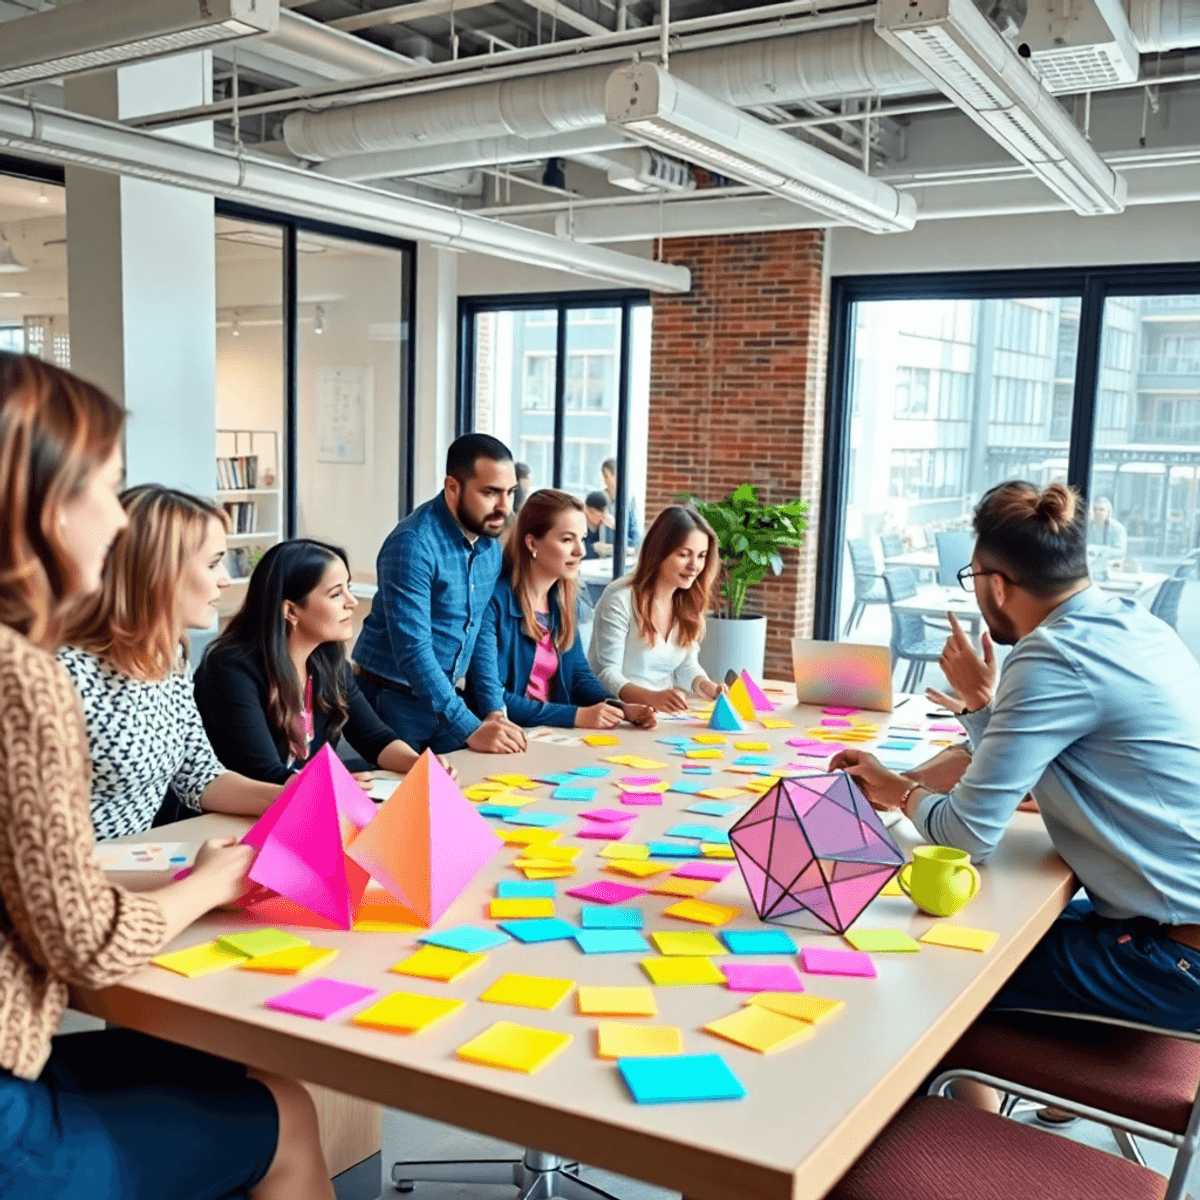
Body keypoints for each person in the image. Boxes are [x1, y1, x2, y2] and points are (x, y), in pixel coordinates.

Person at [0, 352, 331, 1199]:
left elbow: (195, 774)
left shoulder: (151, 666)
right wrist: (209, 885)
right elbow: (86, 942)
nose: (118, 522)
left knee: (225, 1057)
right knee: (286, 1109)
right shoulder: (27, 676)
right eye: (105, 490)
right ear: (38, 508)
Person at [831, 480, 1200, 1034]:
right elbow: (1041, 761)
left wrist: (899, 792)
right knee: (990, 922)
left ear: (997, 585)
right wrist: (985, 707)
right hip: (1169, 926)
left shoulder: (1051, 655)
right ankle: (1047, 1086)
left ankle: (956, 1113)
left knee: (940, 959)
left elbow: (964, 838)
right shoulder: (1134, 623)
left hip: (1171, 964)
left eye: (972, 577)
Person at [60, 486, 281, 839]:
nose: (225, 578)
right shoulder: (64, 674)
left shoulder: (171, 658)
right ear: (158, 572)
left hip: (129, 867)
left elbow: (200, 775)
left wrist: (290, 798)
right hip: (70, 881)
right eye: (212, 563)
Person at [195, 539, 455, 785]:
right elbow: (261, 773)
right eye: (335, 594)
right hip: (234, 818)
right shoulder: (228, 669)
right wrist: (329, 787)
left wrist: (420, 765)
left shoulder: (327, 660)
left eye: (349, 589)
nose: (351, 603)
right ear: (291, 611)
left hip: (303, 811)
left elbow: (374, 737)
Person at [353, 433, 527, 755]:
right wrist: (471, 727)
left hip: (445, 700)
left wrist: (494, 710)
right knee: (405, 803)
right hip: (391, 700)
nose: (504, 507)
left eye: (510, 493)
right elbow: (413, 650)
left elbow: (478, 634)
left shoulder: (488, 544)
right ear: (452, 488)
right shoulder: (413, 544)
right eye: (490, 493)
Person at [467, 489, 657, 730]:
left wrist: (620, 708)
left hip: (548, 737)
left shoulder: (563, 601)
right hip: (499, 737)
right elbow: (493, 700)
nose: (581, 550)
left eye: (582, 538)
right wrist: (575, 716)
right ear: (532, 543)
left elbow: (579, 678)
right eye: (567, 540)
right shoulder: (494, 602)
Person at [588, 504, 726, 712]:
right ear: (659, 552)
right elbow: (606, 674)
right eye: (684, 554)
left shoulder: (687, 602)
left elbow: (685, 665)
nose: (695, 566)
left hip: (661, 717)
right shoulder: (620, 600)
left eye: (701, 556)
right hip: (616, 714)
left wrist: (705, 685)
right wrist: (651, 698)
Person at [600, 456, 641, 550]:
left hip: (621, 560)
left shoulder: (629, 501)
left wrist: (615, 526)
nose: (608, 480)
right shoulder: (599, 501)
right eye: (605, 476)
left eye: (612, 475)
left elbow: (635, 541)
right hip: (600, 560)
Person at [583, 490, 610, 560]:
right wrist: (593, 549)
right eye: (601, 512)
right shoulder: (578, 528)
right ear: (587, 511)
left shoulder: (604, 527)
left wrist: (614, 527)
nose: (604, 516)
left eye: (605, 512)